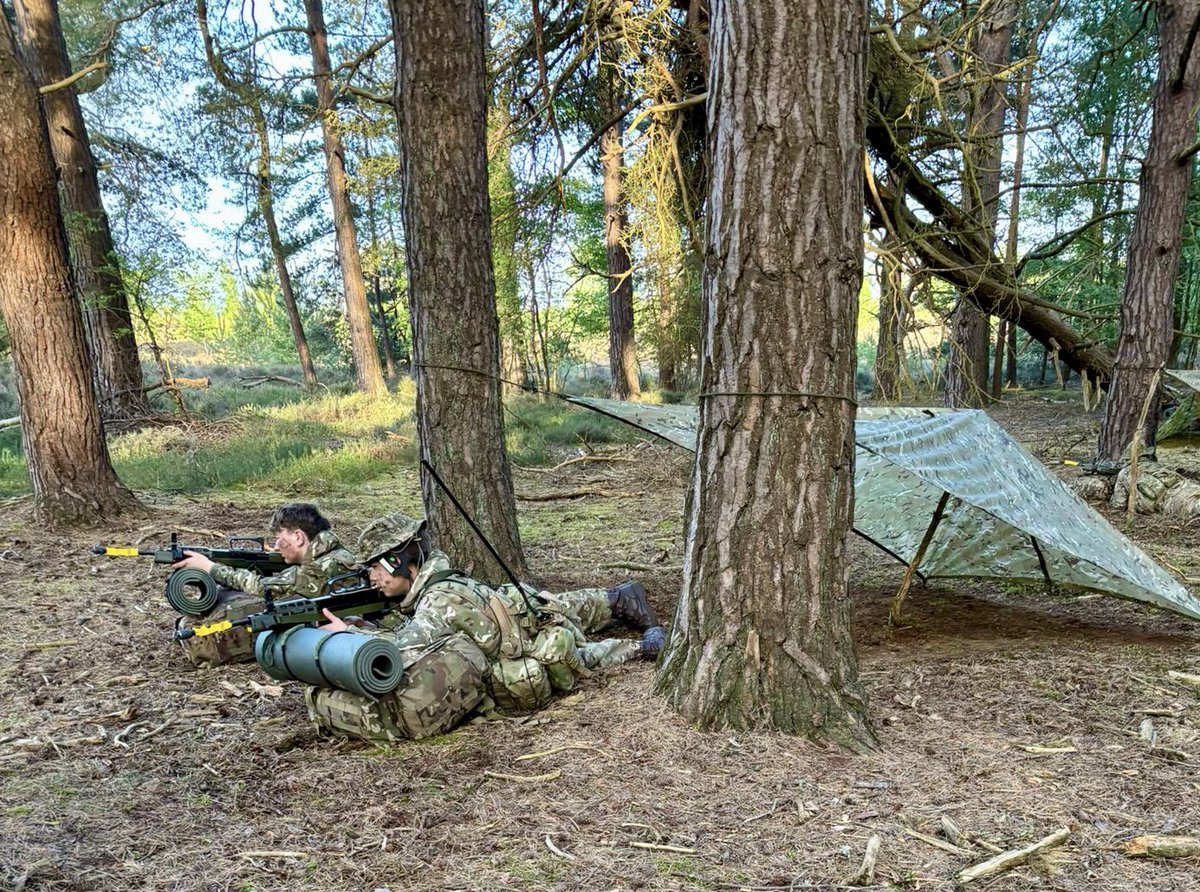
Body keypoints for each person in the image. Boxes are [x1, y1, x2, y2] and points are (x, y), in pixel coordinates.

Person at [306, 513, 665, 740]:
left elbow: (402, 648)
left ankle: (643, 646)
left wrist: (351, 634)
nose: (372, 578)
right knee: (558, 607)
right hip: (526, 621)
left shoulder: (437, 601)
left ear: (397, 562)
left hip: (530, 650)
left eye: (375, 567)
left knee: (575, 657)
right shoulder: (443, 581)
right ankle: (617, 599)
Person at [172, 503, 358, 666]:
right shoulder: (332, 554)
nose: (276, 546)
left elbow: (263, 587)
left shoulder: (325, 565)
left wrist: (209, 567)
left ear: (298, 537)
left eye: (279, 537)